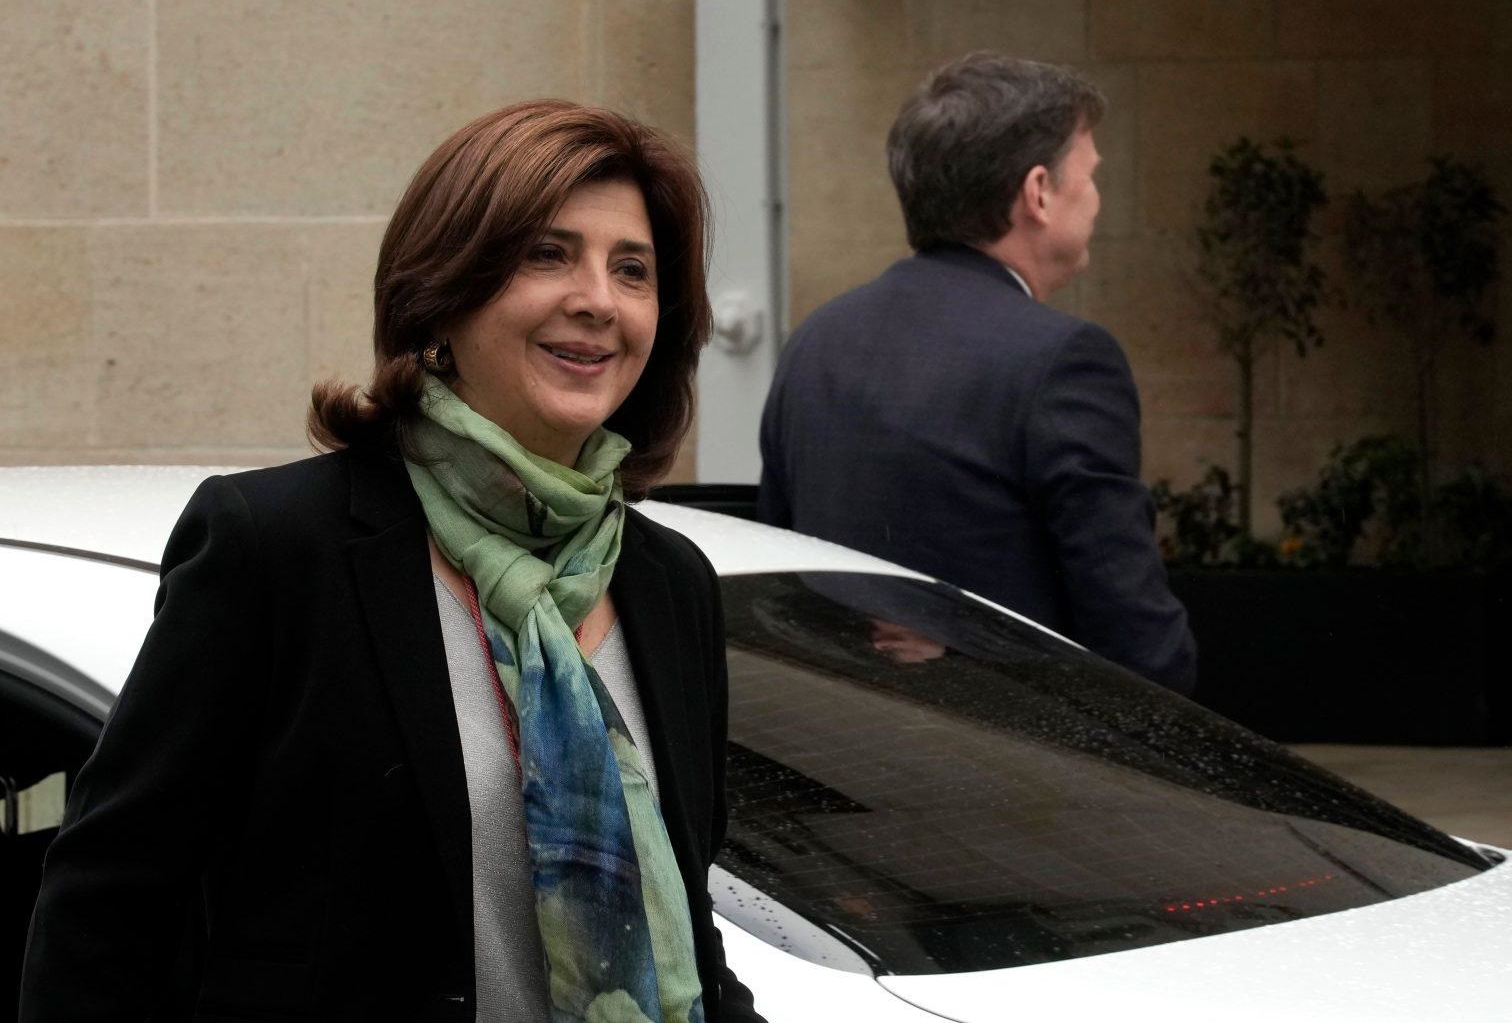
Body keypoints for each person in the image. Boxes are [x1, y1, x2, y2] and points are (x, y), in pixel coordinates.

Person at [21, 100, 764, 1022]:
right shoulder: (278, 549)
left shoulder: (670, 583)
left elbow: (686, 922)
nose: (597, 300)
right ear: (443, 291)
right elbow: (108, 911)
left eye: (633, 269)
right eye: (547, 254)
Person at [757, 52, 1196, 694]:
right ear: (1039, 192)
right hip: (1010, 744)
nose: (1098, 199)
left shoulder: (816, 341)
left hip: (836, 735)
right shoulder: (1064, 359)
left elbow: (781, 585)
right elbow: (1136, 645)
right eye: (1091, 176)